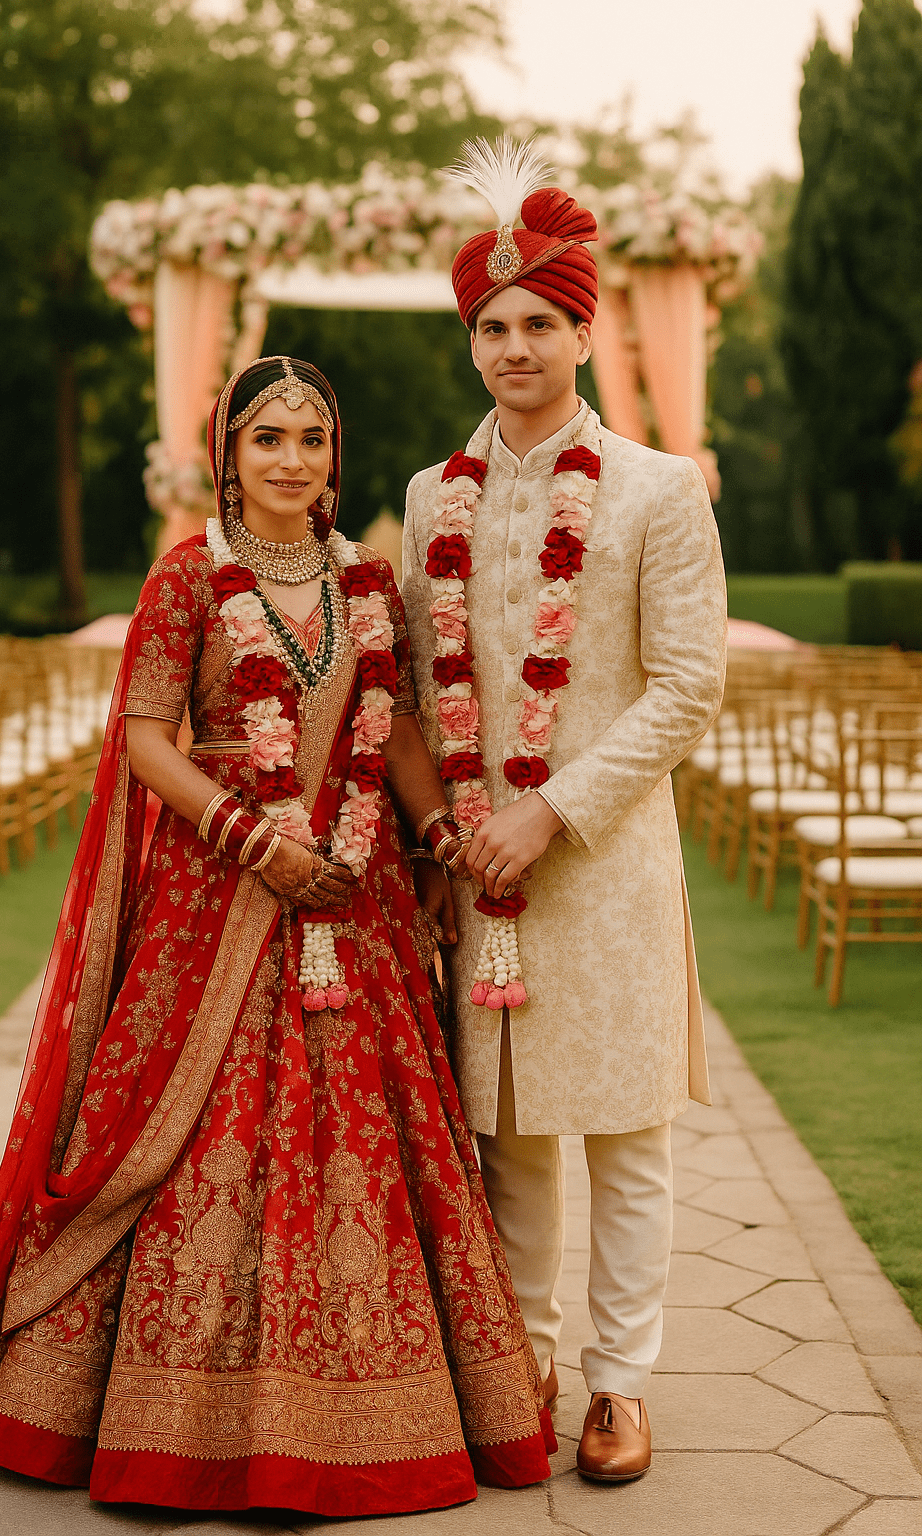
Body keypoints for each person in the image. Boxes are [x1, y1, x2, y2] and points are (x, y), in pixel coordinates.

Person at [0, 356, 555, 1518]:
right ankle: (160, 1422)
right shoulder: (187, 580)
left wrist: (437, 835)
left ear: (335, 458)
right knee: (182, 1134)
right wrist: (252, 838)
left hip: (355, 901)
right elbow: (147, 736)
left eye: (312, 439)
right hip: (217, 899)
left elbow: (395, 728)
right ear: (227, 455)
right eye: (267, 439)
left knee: (364, 1141)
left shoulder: (370, 584)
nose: (291, 461)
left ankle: (371, 1412)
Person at [401, 140, 728, 1483]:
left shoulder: (658, 489)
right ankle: (520, 1360)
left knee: (627, 1134)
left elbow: (690, 685)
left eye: (540, 323)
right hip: (481, 867)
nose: (515, 346)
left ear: (585, 332)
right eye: (493, 325)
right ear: (471, 341)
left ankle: (622, 1384)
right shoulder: (432, 497)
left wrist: (556, 810)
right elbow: (420, 689)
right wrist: (448, 835)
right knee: (514, 1127)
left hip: (606, 863)